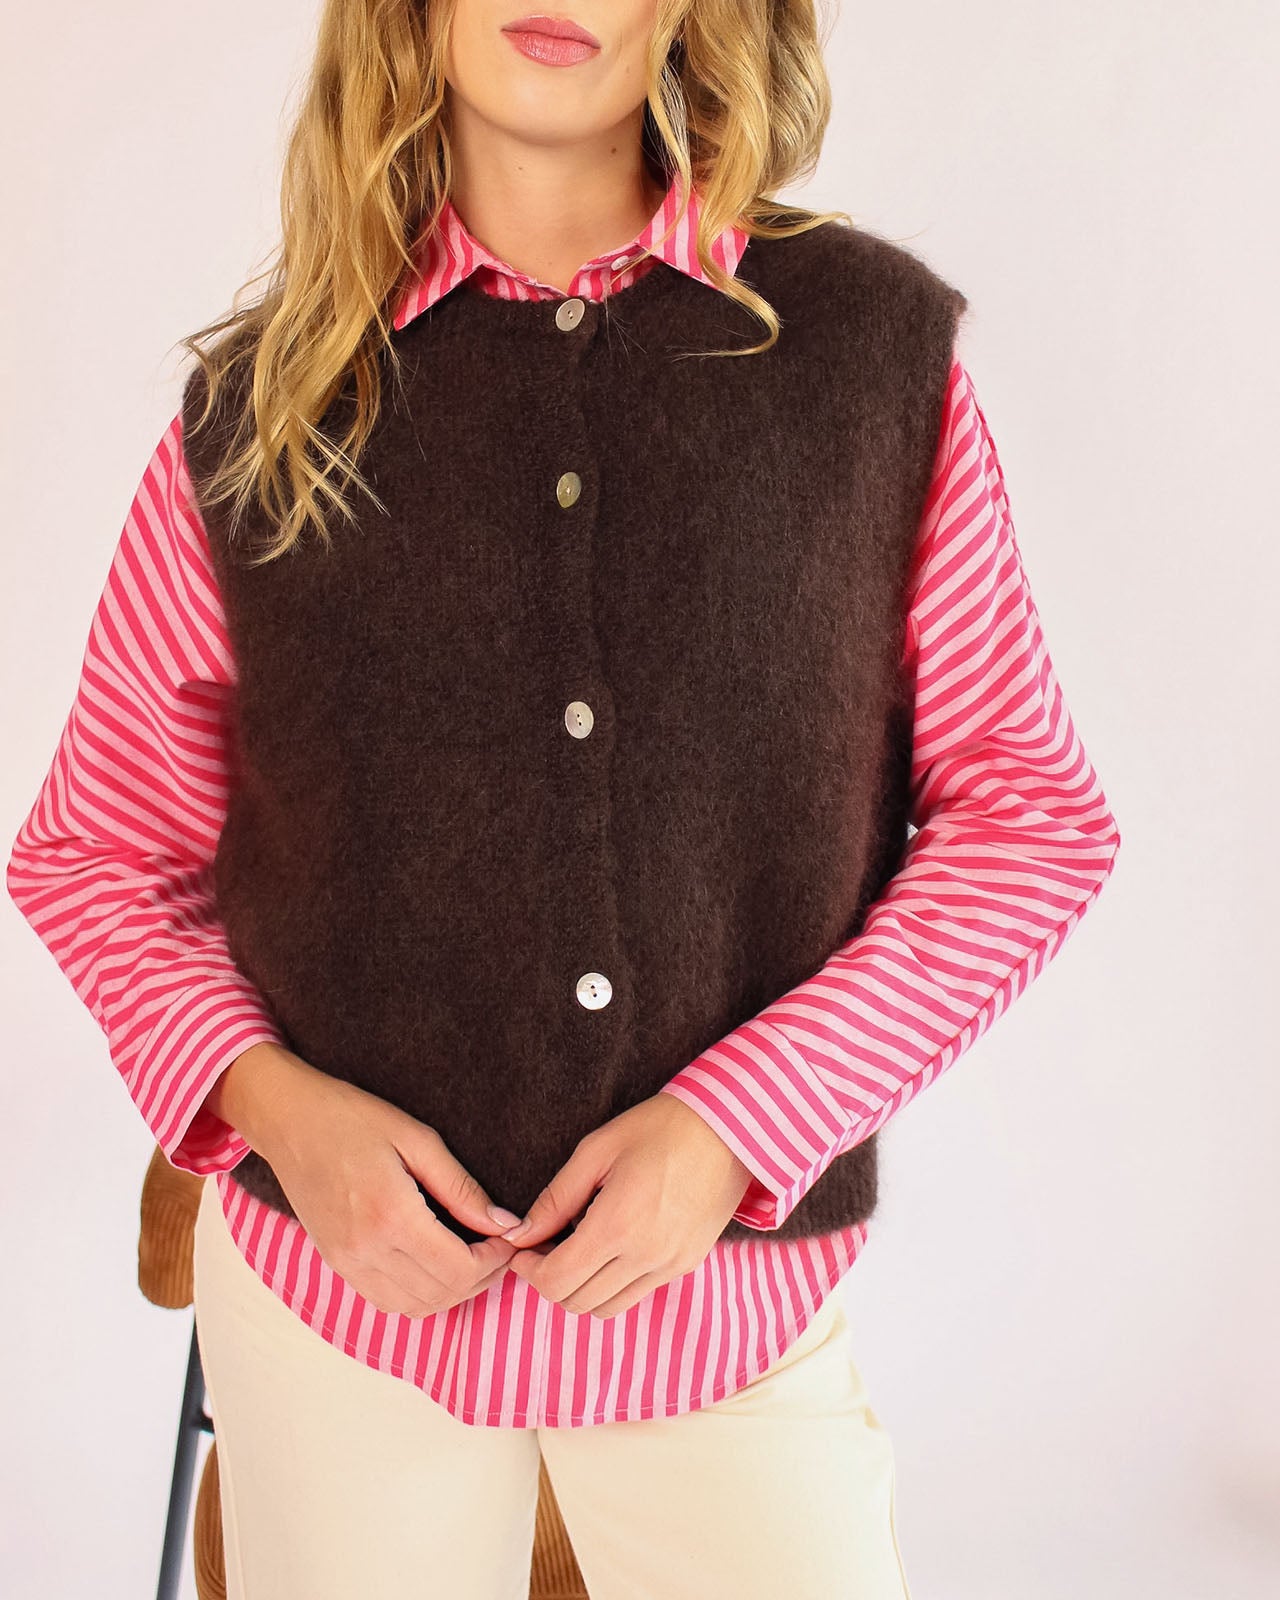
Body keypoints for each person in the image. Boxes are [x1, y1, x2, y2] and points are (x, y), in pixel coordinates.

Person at [6, 2, 1122, 1597]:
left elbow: (1027, 816)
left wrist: (741, 1126)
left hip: (725, 1327)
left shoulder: (867, 359)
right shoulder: (266, 410)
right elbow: (98, 852)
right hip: (339, 1322)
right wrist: (282, 1116)